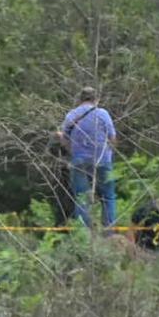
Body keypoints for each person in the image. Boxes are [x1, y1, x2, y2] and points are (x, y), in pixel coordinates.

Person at [59, 87, 118, 229]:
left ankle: (84, 233)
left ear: (80, 99)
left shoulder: (71, 115)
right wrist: (109, 152)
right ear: (96, 99)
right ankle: (109, 230)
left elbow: (64, 140)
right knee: (108, 196)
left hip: (79, 160)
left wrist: (73, 151)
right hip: (102, 159)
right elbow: (112, 137)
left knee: (81, 197)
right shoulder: (103, 113)